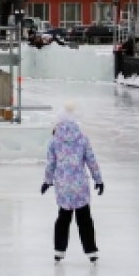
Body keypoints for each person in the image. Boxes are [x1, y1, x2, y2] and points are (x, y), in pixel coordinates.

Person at [41, 102, 103, 264]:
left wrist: (47, 181)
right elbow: (91, 161)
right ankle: (91, 252)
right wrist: (98, 180)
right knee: (84, 219)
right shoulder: (82, 139)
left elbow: (51, 164)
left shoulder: (54, 141)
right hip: (80, 185)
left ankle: (59, 251)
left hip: (63, 186)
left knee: (63, 218)